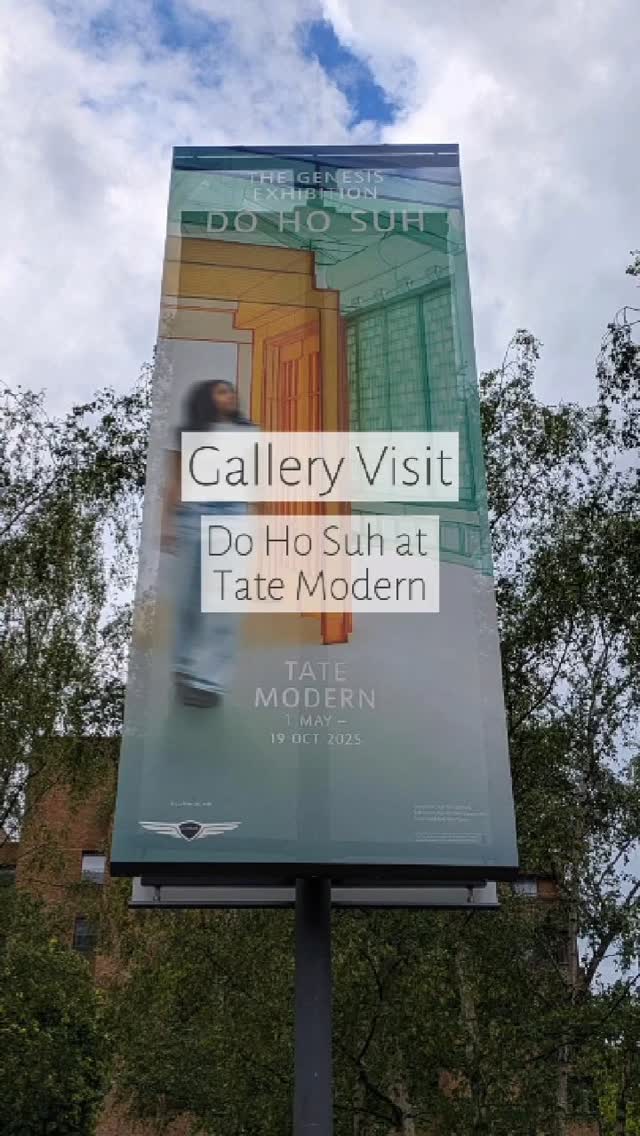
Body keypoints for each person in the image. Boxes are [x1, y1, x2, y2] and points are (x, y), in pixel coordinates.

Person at [161, 379, 253, 707]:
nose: (231, 394)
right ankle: (184, 667)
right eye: (223, 390)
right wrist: (168, 523)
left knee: (224, 605)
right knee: (190, 601)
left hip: (232, 517)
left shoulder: (249, 433)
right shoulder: (187, 433)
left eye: (232, 390)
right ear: (206, 398)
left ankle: (210, 681)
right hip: (193, 515)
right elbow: (177, 480)